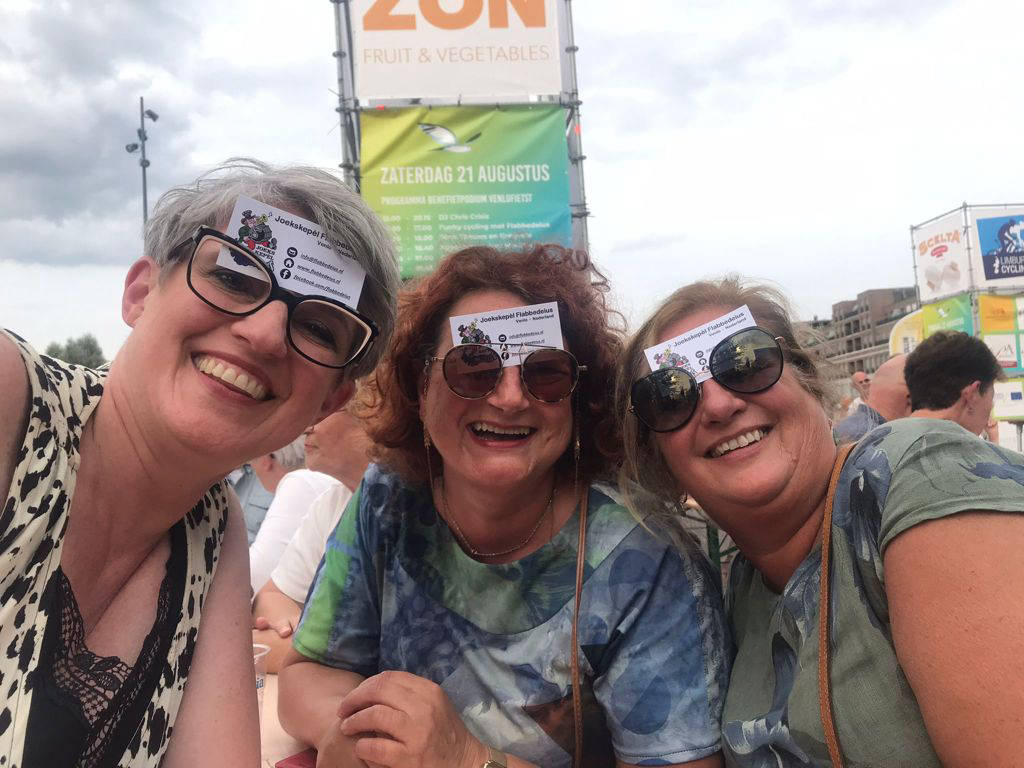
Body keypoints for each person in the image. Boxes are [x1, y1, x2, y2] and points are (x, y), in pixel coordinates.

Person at [0, 158, 399, 767]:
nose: (265, 334)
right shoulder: (12, 401)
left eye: (319, 327)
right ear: (141, 293)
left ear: (330, 401)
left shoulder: (213, 532)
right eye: (235, 277)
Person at [278, 245, 730, 768]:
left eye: (546, 372)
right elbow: (308, 673)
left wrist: (467, 760)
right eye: (474, 366)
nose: (511, 398)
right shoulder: (389, 498)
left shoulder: (645, 560)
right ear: (421, 385)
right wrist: (359, 734)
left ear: (578, 398)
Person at [616, 276, 1024, 766]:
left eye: (747, 363)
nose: (720, 405)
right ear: (659, 459)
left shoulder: (915, 474)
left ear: (807, 379)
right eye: (671, 396)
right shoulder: (739, 589)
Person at [251, 404, 372, 671]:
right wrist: (293, 629)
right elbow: (269, 596)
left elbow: (359, 657)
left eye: (328, 408)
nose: (306, 425)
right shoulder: (333, 500)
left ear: (375, 417)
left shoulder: (411, 507)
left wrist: (295, 643)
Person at [248, 434, 339, 594]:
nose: (252, 467)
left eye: (251, 458)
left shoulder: (302, 482)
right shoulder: (322, 481)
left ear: (265, 459)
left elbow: (255, 577)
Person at [904, 330, 1006, 436]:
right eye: (991, 398)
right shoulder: (965, 445)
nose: (991, 406)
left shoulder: (892, 436)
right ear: (972, 395)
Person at [832, 353, 909, 441]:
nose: (864, 383)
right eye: (860, 382)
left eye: (866, 380)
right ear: (854, 386)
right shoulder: (855, 405)